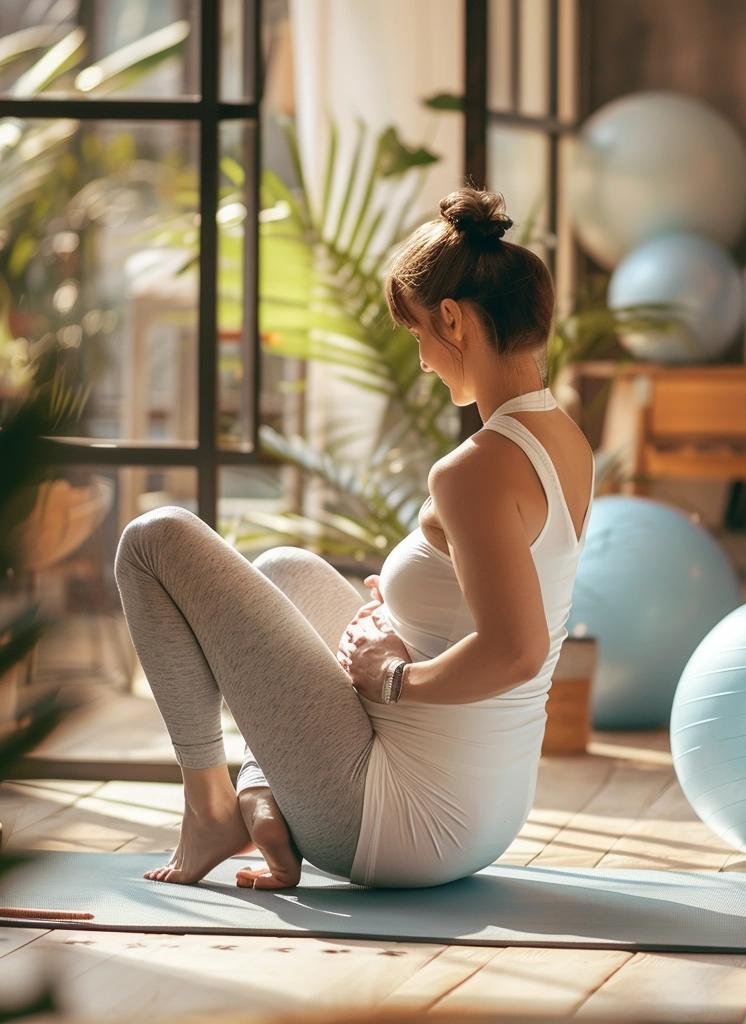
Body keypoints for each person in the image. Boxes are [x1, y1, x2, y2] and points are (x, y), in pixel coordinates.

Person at [113, 185, 596, 889]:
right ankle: (261, 793)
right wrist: (404, 616)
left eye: (420, 335)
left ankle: (216, 805)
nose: (425, 360)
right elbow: (506, 600)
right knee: (284, 569)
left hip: (402, 821)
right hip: (483, 811)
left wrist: (394, 678)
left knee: (152, 539)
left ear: (454, 320)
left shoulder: (477, 468)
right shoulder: (564, 441)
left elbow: (517, 652)